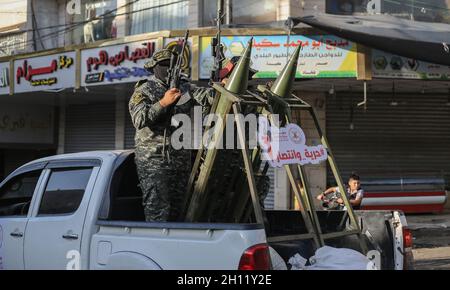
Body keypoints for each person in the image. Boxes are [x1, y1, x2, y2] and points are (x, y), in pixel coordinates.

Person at [129, 48, 215, 222]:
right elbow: (139, 119)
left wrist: (222, 87)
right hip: (153, 161)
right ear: (154, 67)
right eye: (163, 65)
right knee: (158, 210)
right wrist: (163, 103)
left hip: (180, 160)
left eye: (172, 65)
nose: (168, 68)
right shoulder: (144, 89)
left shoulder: (183, 87)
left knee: (179, 211)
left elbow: (206, 97)